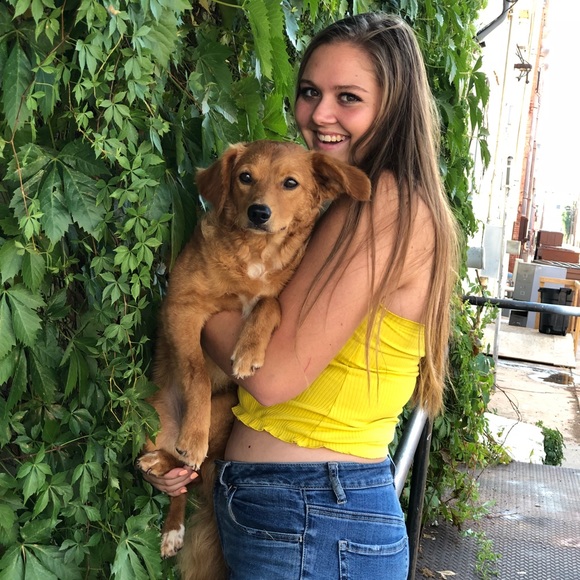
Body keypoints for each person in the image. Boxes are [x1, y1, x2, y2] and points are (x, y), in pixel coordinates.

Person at [144, 11, 460, 579]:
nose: (319, 114)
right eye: (310, 92)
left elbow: (272, 375)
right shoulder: (339, 204)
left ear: (394, 106)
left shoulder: (383, 203)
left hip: (315, 513)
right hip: (302, 511)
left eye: (348, 98)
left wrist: (191, 301)